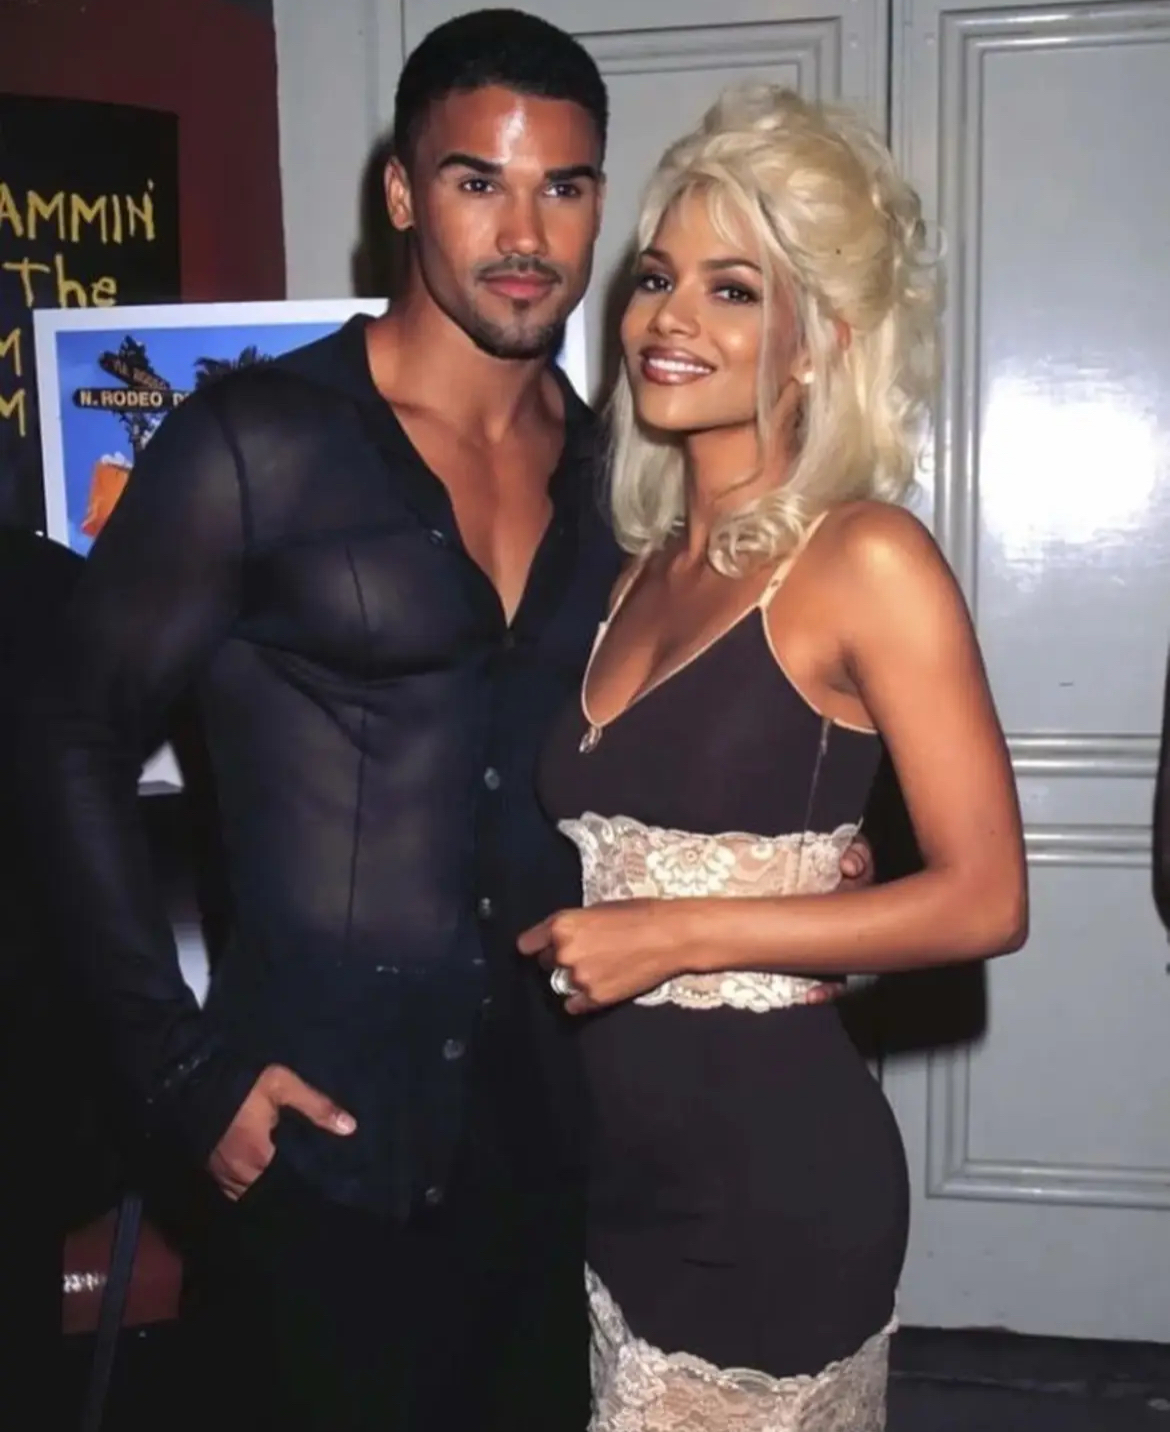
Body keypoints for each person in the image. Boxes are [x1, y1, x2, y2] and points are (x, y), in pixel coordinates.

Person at [22, 13, 873, 1429]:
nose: (526, 234)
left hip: (563, 1142)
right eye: (479, 180)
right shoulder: (256, 444)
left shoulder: (625, 478)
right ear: (404, 193)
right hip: (312, 1146)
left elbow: (694, 730)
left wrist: (797, 877)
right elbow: (67, 740)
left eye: (565, 186)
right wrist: (177, 1070)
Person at [525, 87, 1028, 1430]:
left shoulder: (866, 559)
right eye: (655, 279)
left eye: (732, 290)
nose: (668, 320)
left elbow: (986, 898)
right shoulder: (634, 575)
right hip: (618, 1171)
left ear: (819, 342)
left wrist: (682, 932)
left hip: (772, 1189)